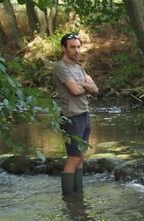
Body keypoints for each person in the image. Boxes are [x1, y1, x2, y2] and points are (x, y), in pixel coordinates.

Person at [53, 32, 99, 196]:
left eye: (79, 47)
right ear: (64, 48)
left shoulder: (79, 67)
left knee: (80, 158)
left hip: (84, 114)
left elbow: (95, 89)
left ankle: (78, 195)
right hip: (71, 116)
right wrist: (84, 85)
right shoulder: (60, 67)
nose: (77, 50)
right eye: (72, 47)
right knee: (73, 158)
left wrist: (83, 85)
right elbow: (74, 90)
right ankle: (69, 199)